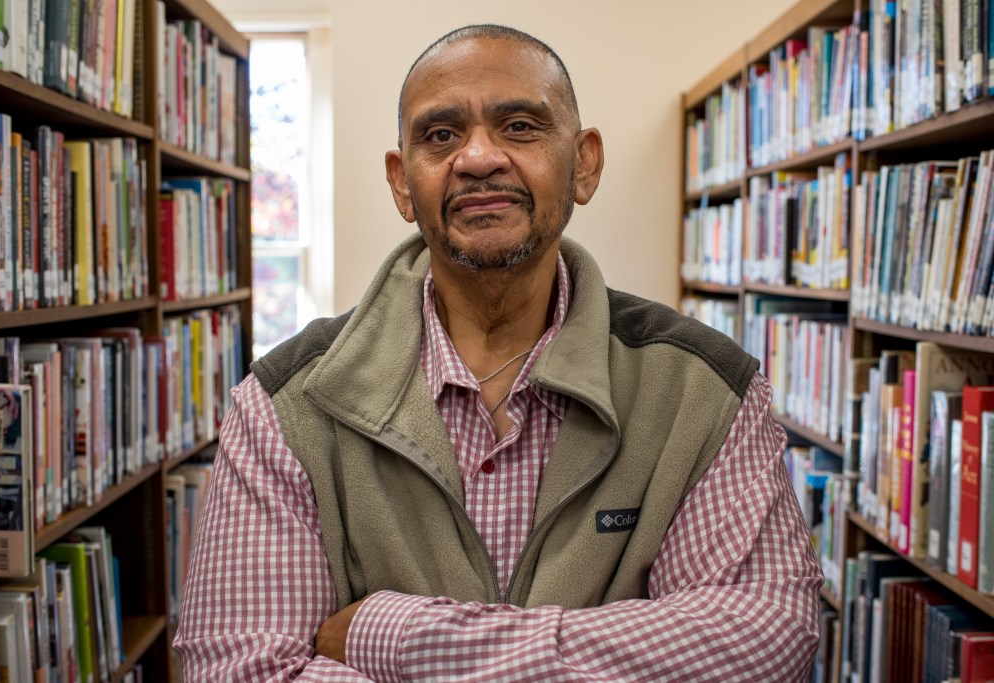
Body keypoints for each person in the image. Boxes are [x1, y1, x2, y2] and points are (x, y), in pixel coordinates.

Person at [174, 24, 823, 681]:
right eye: (441, 135)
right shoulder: (284, 405)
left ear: (584, 163)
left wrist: (393, 634)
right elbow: (238, 668)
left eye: (518, 126)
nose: (479, 157)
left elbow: (764, 643)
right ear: (403, 183)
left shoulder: (702, 390)